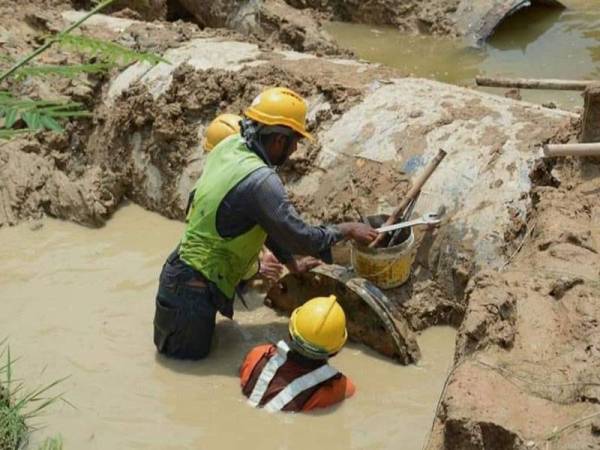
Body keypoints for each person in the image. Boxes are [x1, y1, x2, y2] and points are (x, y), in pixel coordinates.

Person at [153, 87, 377, 360]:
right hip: (192, 290)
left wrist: (290, 262)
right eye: (294, 140)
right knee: (185, 373)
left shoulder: (229, 146)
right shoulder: (261, 181)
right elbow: (302, 238)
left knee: (187, 362)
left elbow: (260, 219)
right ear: (277, 140)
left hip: (183, 277)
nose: (295, 149)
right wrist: (348, 229)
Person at [240, 295, 355, 412]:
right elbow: (350, 390)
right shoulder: (335, 387)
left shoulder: (258, 354)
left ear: (291, 330)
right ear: (336, 350)